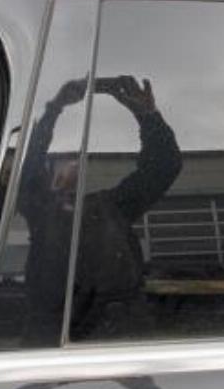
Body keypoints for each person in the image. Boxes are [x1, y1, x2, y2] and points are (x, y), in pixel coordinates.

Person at [17, 75, 181, 342]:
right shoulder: (39, 209)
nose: (70, 165)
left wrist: (146, 115)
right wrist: (54, 108)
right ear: (48, 175)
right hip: (49, 339)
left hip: (121, 334)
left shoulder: (112, 206)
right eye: (61, 159)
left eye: (76, 160)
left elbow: (164, 166)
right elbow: (29, 169)